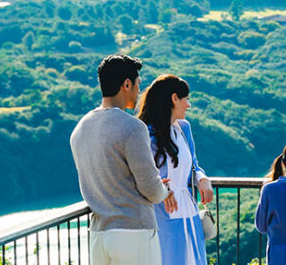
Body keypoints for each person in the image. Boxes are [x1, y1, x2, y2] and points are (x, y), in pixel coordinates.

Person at [70, 54, 171, 265]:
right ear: (126, 84)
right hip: (134, 231)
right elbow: (151, 189)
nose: (138, 91)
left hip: (99, 233)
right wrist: (164, 191)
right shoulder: (132, 127)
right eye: (137, 84)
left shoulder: (80, 129)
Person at [136, 75, 214, 265]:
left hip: (188, 209)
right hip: (161, 211)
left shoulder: (184, 128)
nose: (189, 105)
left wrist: (202, 178)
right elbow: (140, 174)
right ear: (174, 98)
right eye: (186, 99)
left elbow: (194, 164)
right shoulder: (144, 132)